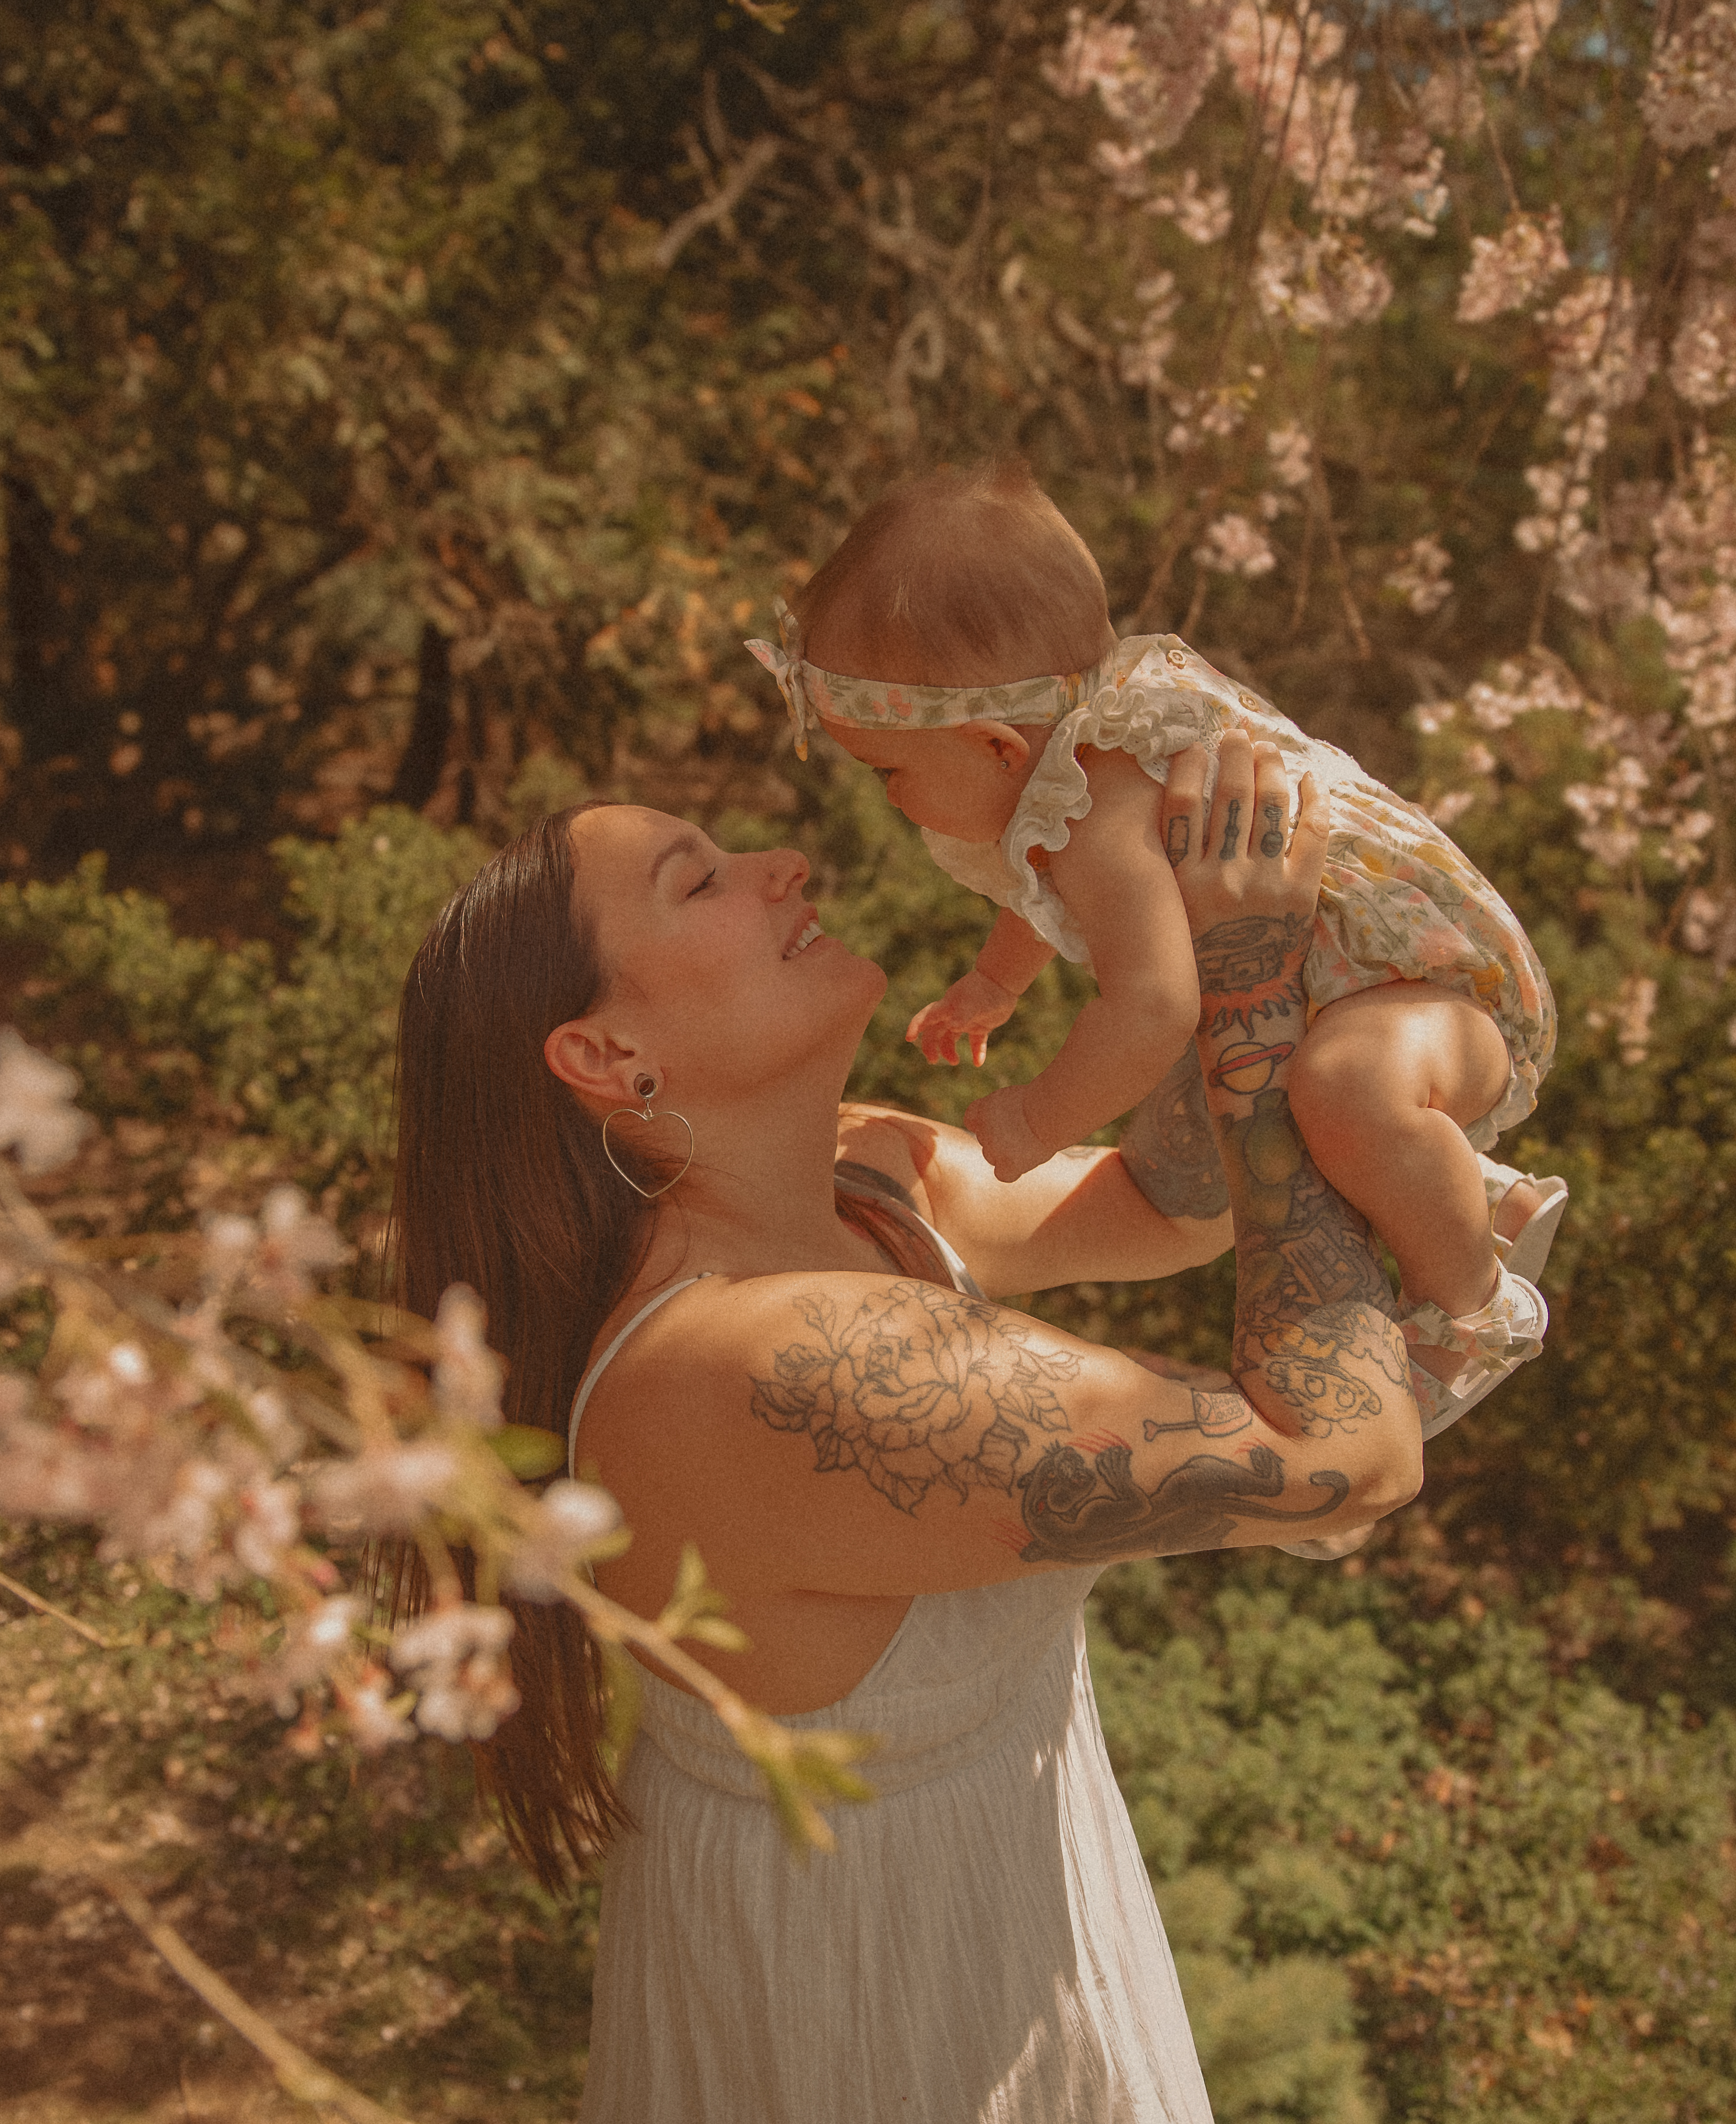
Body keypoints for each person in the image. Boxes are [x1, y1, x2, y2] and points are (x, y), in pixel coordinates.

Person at [391, 732, 1422, 2123]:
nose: (782, 866)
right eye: (701, 883)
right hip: (899, 2005)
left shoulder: (858, 1181)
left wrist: (1171, 935)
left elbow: (1171, 1204)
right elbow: (1349, 1459)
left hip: (992, 1910)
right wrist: (1249, 991)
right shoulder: (778, 1369)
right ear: (604, 1053)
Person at [747, 463, 1565, 1432]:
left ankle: (1473, 1312)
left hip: (1431, 985)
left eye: (888, 771)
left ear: (1000, 748)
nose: (889, 799)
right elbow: (1042, 885)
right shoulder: (1075, 776)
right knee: (1258, 1136)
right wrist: (995, 981)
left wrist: (1041, 1115)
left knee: (1344, 1088)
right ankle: (1471, 1196)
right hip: (1350, 994)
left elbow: (1154, 1005)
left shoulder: (1105, 797)